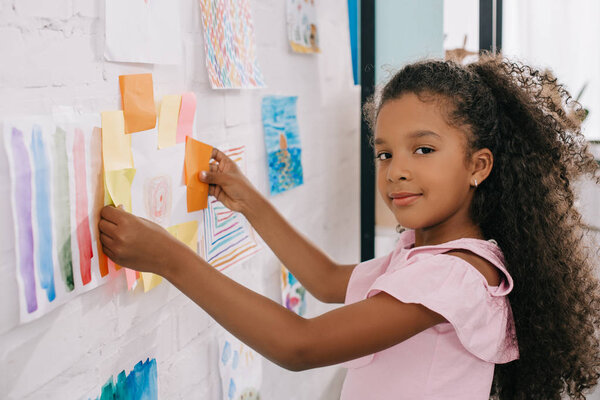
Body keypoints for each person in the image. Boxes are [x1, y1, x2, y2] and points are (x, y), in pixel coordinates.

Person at [98, 53, 600, 399]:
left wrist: (169, 258)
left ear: (478, 165)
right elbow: (327, 281)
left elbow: (300, 346)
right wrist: (251, 202)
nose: (396, 170)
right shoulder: (426, 255)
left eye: (423, 149)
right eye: (384, 153)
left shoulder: (454, 277)